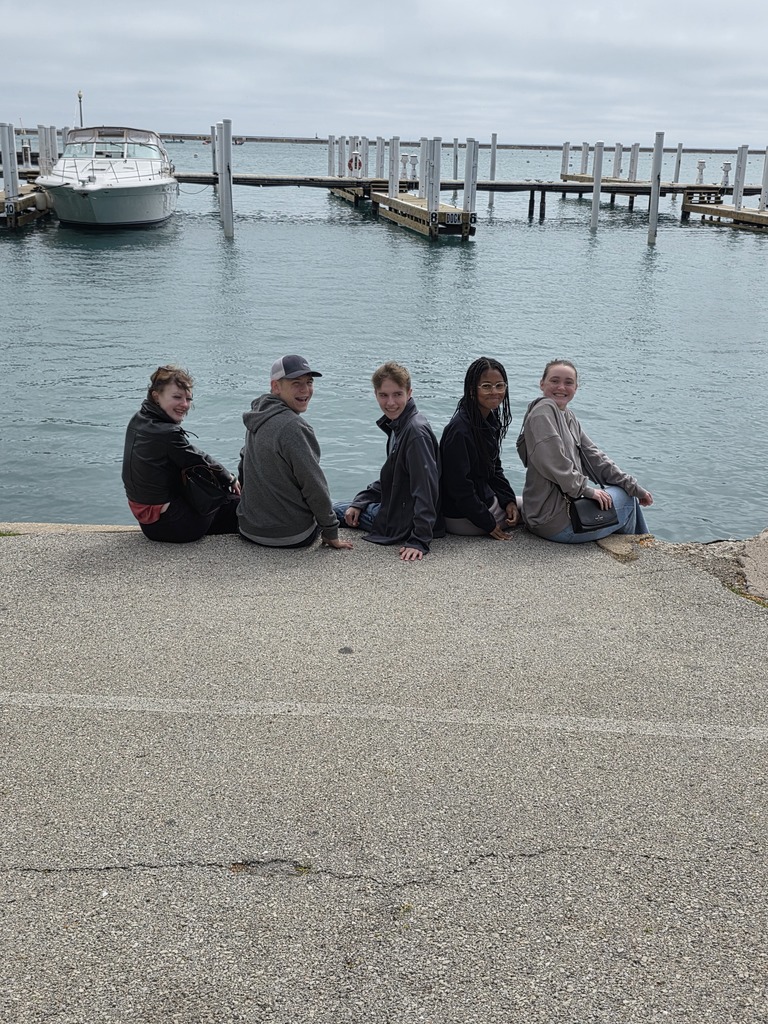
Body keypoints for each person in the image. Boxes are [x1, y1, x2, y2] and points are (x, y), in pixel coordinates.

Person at [516, 359, 653, 543]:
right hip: (553, 521)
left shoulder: (568, 417)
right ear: (542, 384)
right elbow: (556, 464)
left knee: (627, 492)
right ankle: (640, 551)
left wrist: (633, 486)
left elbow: (595, 458)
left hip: (553, 513)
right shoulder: (543, 412)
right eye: (554, 381)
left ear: (576, 387)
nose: (561, 387)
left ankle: (635, 545)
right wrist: (587, 491)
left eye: (568, 382)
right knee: (628, 501)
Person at [237, 354, 352, 551]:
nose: (305, 390)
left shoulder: (257, 415)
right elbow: (314, 485)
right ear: (276, 387)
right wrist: (331, 531)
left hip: (248, 528)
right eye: (296, 383)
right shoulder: (293, 426)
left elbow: (243, 464)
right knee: (347, 507)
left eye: (309, 382)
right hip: (290, 535)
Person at [333, 361, 443, 561]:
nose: (390, 403)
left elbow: (426, 489)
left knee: (330, 512)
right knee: (347, 506)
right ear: (375, 394)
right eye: (384, 395)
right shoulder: (401, 425)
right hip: (397, 507)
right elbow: (393, 477)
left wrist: (419, 540)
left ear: (409, 393)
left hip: (401, 520)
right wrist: (361, 501)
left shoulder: (415, 433)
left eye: (397, 394)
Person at [122, 365, 240, 543]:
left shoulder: (138, 420)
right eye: (177, 397)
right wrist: (230, 479)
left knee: (218, 495)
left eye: (188, 399)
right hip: (176, 526)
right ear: (156, 396)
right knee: (234, 503)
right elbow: (199, 460)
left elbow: (192, 454)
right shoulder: (166, 433)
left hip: (150, 525)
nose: (184, 405)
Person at [440, 357, 520, 539]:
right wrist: (488, 523)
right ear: (471, 390)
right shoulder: (460, 430)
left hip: (480, 504)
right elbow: (459, 487)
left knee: (519, 505)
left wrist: (508, 500)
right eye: (486, 386)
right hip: (461, 517)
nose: (494, 392)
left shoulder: (488, 421)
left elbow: (494, 469)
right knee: (536, 511)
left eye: (500, 385)